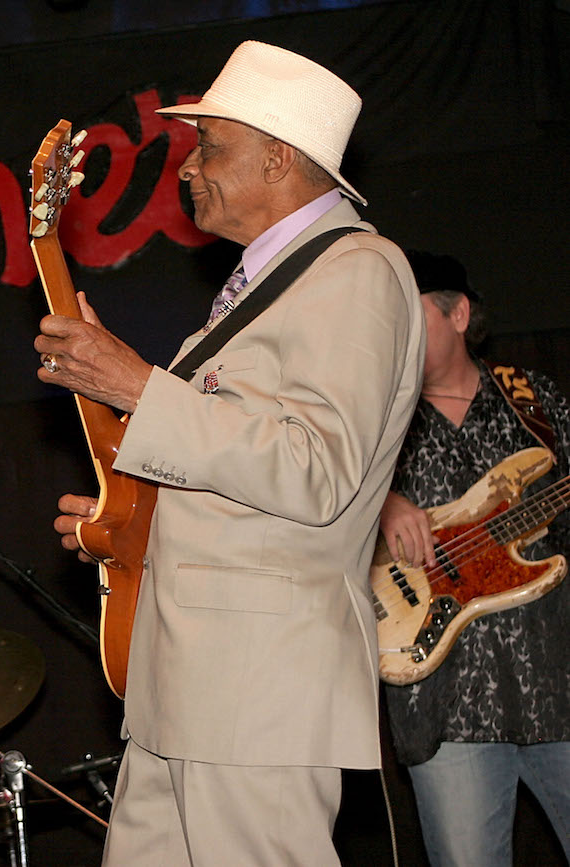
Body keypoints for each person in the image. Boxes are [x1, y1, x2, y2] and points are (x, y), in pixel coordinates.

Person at [34, 41, 425, 864]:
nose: (188, 169)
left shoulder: (359, 270)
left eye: (211, 146)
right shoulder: (258, 289)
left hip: (258, 686)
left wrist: (142, 386)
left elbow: (315, 469)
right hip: (184, 685)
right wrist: (124, 520)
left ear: (281, 157)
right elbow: (223, 471)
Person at [379, 250, 570, 866]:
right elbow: (312, 515)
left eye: (414, 318)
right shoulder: (374, 424)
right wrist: (380, 506)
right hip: (446, 706)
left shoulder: (532, 399)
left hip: (557, 683)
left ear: (459, 314)